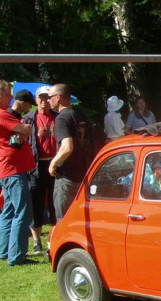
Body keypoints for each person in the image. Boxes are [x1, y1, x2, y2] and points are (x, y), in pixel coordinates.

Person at [47, 84, 96, 221]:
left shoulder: (62, 118)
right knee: (81, 220)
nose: (48, 100)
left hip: (67, 178)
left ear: (58, 98)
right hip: (85, 175)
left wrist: (53, 163)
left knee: (64, 220)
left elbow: (67, 147)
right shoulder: (81, 114)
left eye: (50, 97)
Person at [0, 82, 36, 265]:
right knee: (22, 212)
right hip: (13, 170)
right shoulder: (3, 114)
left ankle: (5, 251)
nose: (11, 98)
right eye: (8, 95)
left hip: (8, 170)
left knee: (9, 211)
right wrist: (23, 129)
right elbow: (27, 129)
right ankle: (16, 256)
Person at [22, 86, 58, 254]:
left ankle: (53, 239)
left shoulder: (58, 117)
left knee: (54, 203)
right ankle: (36, 241)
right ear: (36, 100)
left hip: (55, 165)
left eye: (47, 97)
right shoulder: (28, 118)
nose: (44, 101)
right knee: (36, 203)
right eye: (41, 98)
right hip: (35, 166)